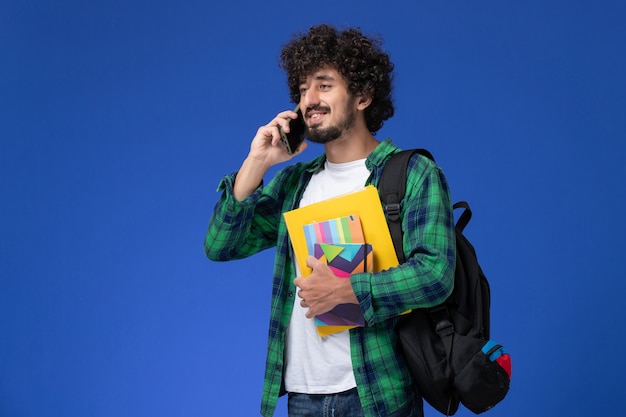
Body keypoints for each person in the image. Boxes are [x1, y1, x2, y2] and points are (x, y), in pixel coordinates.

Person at [205, 24, 456, 417]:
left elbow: (437, 274)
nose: (309, 100)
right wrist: (256, 162)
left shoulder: (412, 174)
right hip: (302, 397)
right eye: (303, 89)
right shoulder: (293, 184)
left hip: (377, 393)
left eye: (323, 85)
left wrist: (348, 289)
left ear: (364, 96)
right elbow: (221, 246)